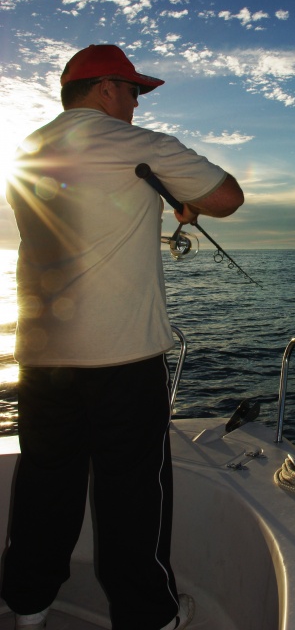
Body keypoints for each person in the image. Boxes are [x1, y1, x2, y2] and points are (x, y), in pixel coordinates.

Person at [1, 44, 244, 630]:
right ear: (106, 88)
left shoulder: (26, 149)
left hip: (41, 357)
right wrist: (189, 201)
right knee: (132, 495)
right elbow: (227, 197)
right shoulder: (139, 145)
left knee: (45, 484)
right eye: (133, 91)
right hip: (121, 358)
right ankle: (148, 616)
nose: (135, 104)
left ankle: (28, 605)